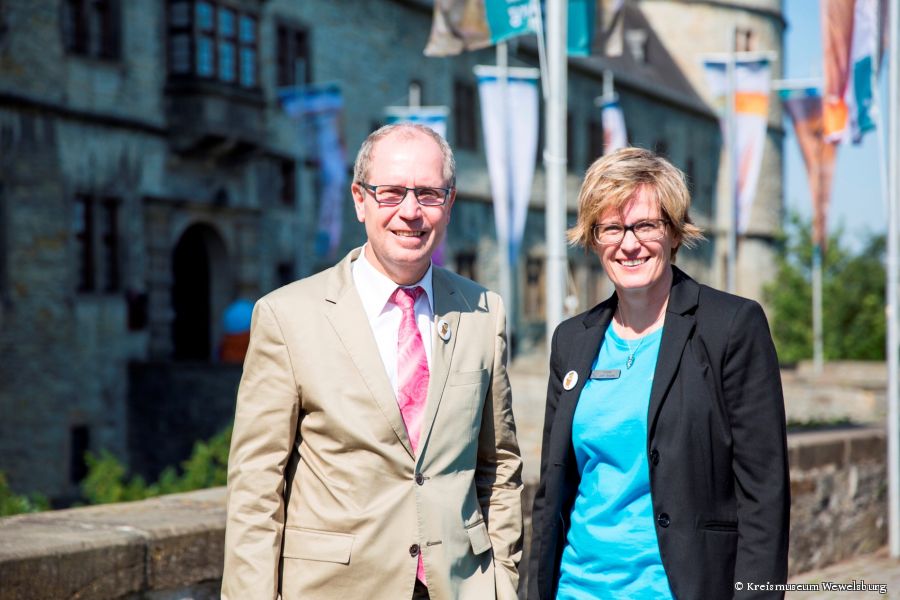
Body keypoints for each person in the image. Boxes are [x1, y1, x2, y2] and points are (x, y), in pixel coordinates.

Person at [222, 123, 523, 600]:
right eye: (391, 193)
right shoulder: (287, 316)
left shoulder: (482, 312)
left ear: (449, 203)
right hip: (336, 587)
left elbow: (499, 464)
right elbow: (257, 489)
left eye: (428, 194)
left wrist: (501, 579)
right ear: (360, 199)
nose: (410, 212)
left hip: (461, 587)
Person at [528, 147, 789, 599]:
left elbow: (764, 493)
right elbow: (552, 492)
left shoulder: (729, 328)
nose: (629, 243)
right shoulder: (572, 340)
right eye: (611, 228)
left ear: (673, 232)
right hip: (577, 588)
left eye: (645, 225)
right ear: (593, 239)